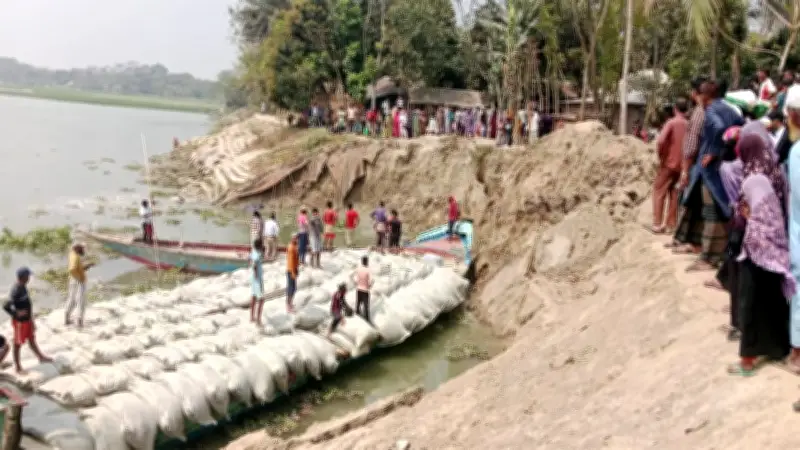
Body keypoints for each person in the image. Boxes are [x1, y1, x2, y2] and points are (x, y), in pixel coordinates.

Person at [671, 79, 744, 271]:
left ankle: (711, 256)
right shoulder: (729, 108)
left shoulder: (710, 111)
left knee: (712, 212)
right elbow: (739, 126)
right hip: (724, 164)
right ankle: (710, 250)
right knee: (716, 209)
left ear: (703, 96)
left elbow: (719, 128)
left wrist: (714, 150)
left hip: (710, 168)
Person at [728, 174, 794, 376]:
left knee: (749, 308)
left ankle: (747, 360)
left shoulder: (755, 231)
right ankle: (778, 349)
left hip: (754, 272)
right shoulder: (776, 222)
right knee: (774, 306)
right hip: (775, 271)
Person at [649, 98, 689, 234]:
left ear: (675, 109)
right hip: (683, 165)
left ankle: (657, 224)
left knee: (659, 190)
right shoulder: (688, 124)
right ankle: (671, 225)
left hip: (668, 163)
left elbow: (660, 141)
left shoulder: (671, 123)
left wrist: (661, 155)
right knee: (674, 194)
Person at [4, 267, 51, 373]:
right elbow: (6, 306)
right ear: (23, 277)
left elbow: (27, 304)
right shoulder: (16, 289)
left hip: (27, 320)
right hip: (20, 322)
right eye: (28, 276)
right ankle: (18, 366)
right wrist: (16, 313)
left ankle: (40, 357)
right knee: (18, 343)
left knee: (31, 339)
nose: (29, 278)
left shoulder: (23, 287)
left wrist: (32, 320)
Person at [65, 243, 94, 328]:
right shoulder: (75, 257)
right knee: (81, 301)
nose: (83, 250)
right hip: (78, 281)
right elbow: (72, 269)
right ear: (77, 248)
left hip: (73, 280)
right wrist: (79, 278)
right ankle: (80, 322)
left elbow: (77, 268)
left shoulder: (72, 254)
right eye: (82, 248)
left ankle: (66, 319)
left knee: (72, 299)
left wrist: (86, 266)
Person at [249, 239, 266, 324]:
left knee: (253, 296)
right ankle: (258, 319)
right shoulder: (257, 254)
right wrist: (256, 274)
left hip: (253, 278)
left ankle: (252, 317)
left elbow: (250, 261)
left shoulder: (253, 251)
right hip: (257, 279)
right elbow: (255, 264)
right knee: (262, 299)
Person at [353, 256, 373, 322]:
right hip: (365, 290)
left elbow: (350, 275)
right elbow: (371, 280)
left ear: (362, 262)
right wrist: (370, 285)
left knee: (358, 304)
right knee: (366, 306)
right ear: (367, 262)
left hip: (358, 289)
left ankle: (357, 316)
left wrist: (355, 282)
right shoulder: (368, 270)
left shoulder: (358, 268)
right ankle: (367, 319)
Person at [286, 234, 300, 313]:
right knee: (291, 289)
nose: (297, 240)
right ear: (292, 239)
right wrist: (293, 272)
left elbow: (295, 259)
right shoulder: (291, 248)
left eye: (297, 238)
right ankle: (289, 305)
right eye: (295, 239)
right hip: (291, 270)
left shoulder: (294, 246)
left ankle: (290, 303)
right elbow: (291, 262)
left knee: (293, 288)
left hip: (293, 269)